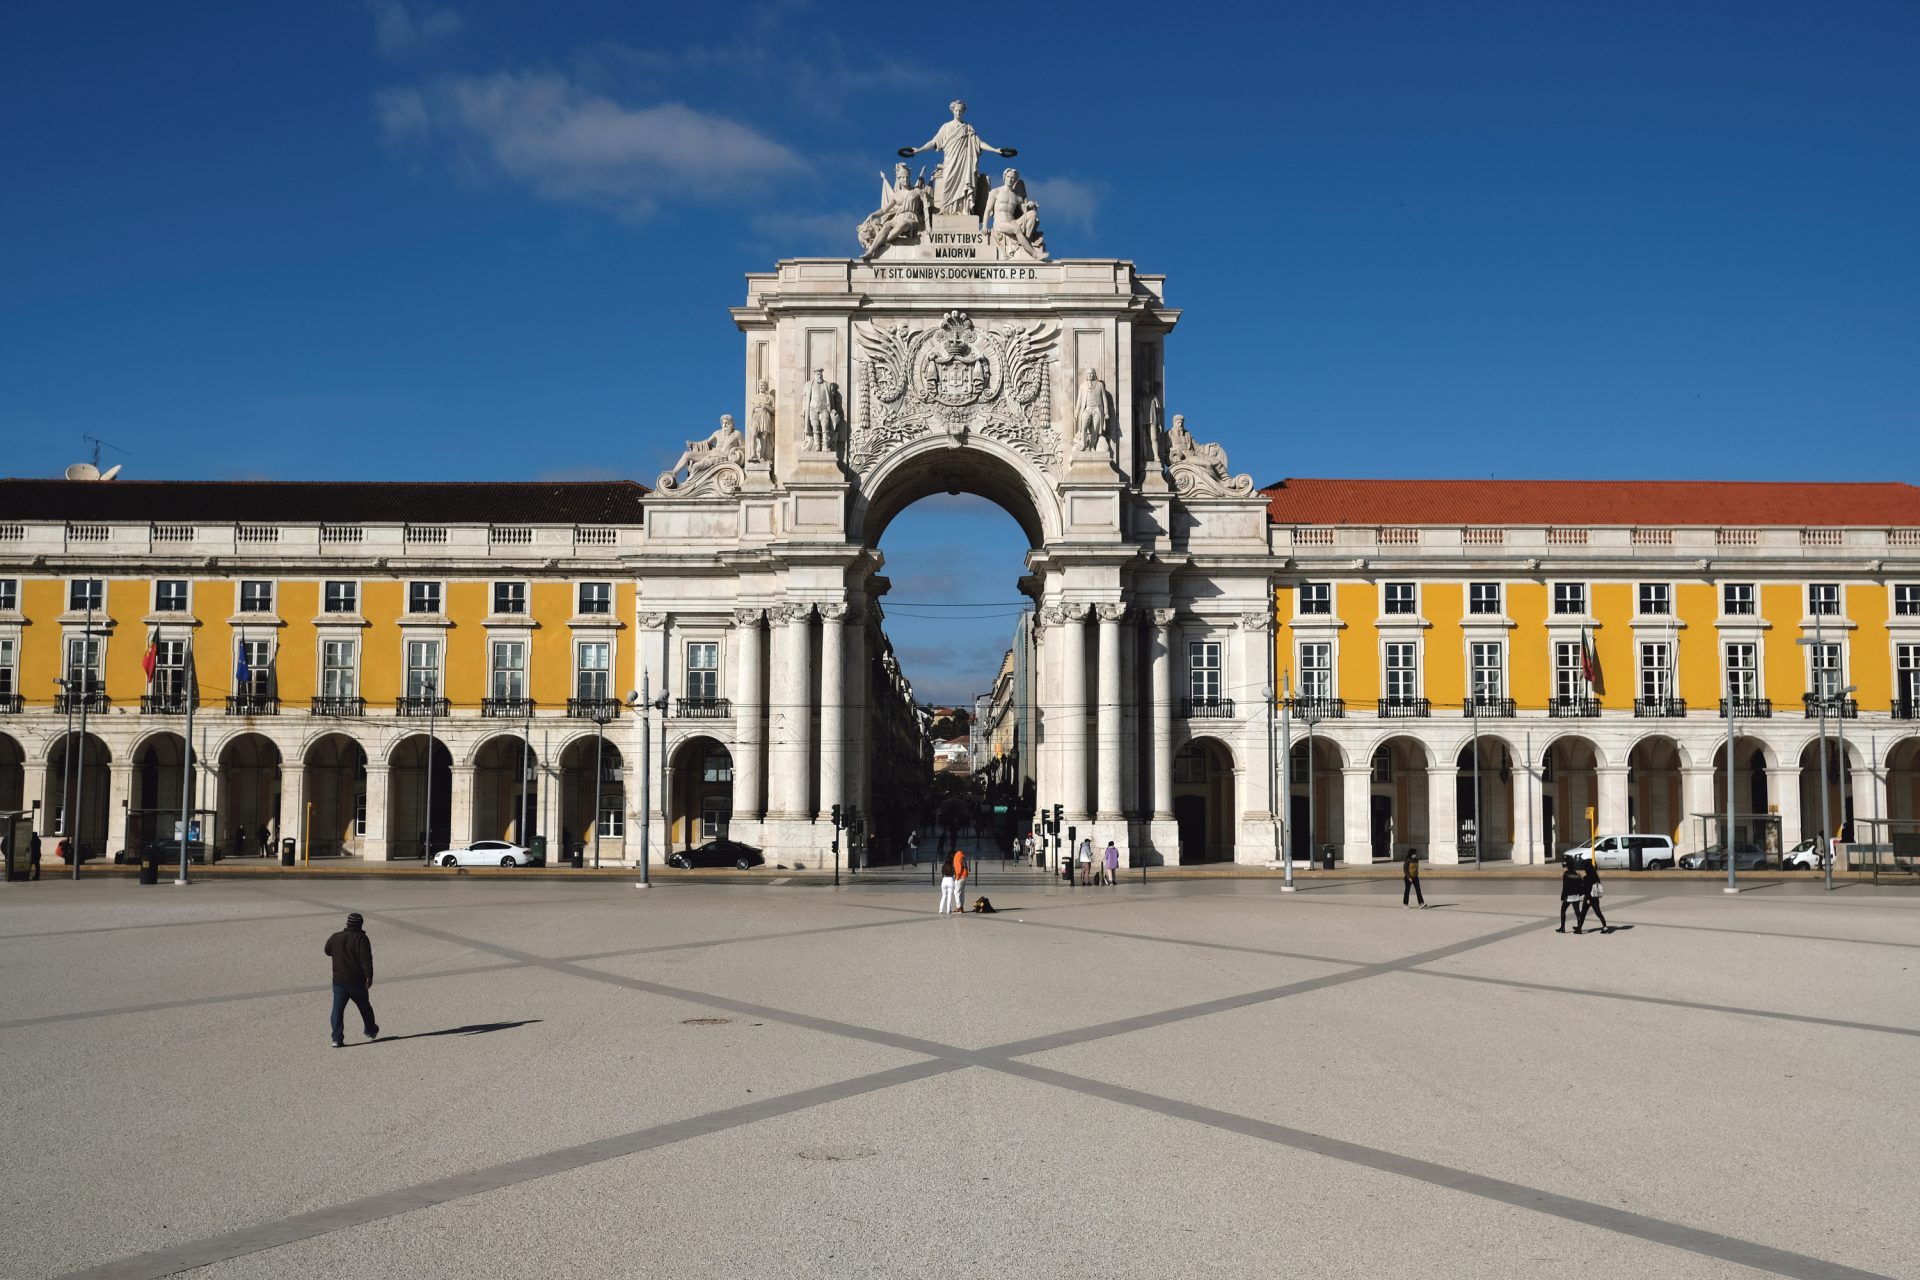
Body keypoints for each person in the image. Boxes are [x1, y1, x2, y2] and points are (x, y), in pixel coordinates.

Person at [323, 911, 380, 1048]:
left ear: (348, 923)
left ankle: (337, 1038)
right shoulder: (361, 939)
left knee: (337, 1010)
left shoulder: (336, 937)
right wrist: (369, 976)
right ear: (360, 925)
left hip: (338, 981)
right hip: (357, 982)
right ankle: (371, 1030)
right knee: (365, 1007)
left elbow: (327, 950)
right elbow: (366, 959)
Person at [1577, 861, 1611, 934]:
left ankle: (1579, 928)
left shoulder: (1586, 878)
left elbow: (1586, 889)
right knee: (1598, 913)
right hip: (1595, 898)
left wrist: (1587, 898)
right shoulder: (1596, 877)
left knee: (1583, 914)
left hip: (1588, 898)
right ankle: (1605, 927)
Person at [1558, 858, 1585, 933]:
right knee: (1577, 912)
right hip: (1576, 896)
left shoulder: (1565, 874)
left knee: (1563, 910)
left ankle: (1562, 927)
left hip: (1568, 896)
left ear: (1567, 866)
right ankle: (1579, 928)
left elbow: (1565, 886)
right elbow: (1581, 886)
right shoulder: (1577, 875)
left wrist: (1563, 897)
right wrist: (1580, 894)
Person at [953, 847, 969, 912]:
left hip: (960, 876)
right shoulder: (962, 856)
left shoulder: (957, 856)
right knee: (962, 892)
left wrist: (957, 876)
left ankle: (958, 907)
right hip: (965, 875)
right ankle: (961, 907)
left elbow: (958, 867)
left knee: (956, 891)